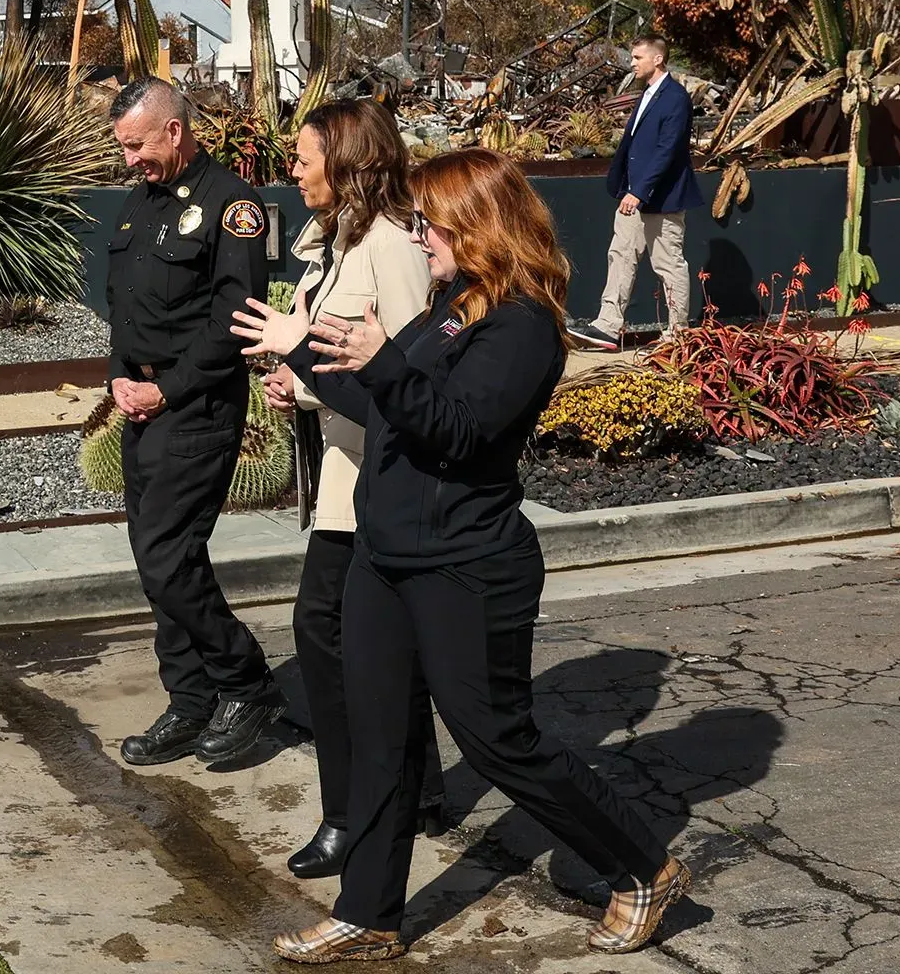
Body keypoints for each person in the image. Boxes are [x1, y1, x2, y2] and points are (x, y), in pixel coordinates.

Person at [263, 148, 690, 962]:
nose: (420, 235)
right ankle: (369, 912)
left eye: (429, 221)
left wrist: (384, 360)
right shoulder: (452, 305)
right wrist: (304, 352)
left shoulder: (523, 325)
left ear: (476, 224)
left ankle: (642, 866)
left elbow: (456, 428)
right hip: (386, 553)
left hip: (465, 563)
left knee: (496, 739)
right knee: (379, 734)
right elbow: (394, 413)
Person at [234, 98, 444, 881]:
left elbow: (413, 373)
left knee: (322, 635)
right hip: (340, 477)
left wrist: (309, 374)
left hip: (377, 482)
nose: (291, 169)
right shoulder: (329, 241)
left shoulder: (392, 246)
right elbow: (333, 350)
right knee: (382, 644)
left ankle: (349, 814)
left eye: (303, 157)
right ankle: (415, 792)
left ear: (348, 160)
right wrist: (296, 378)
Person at [103, 78, 283, 767]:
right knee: (159, 565)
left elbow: (234, 320)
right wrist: (120, 374)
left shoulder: (232, 206)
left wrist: (166, 392)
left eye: (138, 146)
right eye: (123, 148)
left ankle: (247, 683)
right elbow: (126, 305)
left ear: (174, 131)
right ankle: (189, 698)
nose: (130, 161)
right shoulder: (139, 204)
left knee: (168, 559)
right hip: (142, 407)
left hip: (196, 408)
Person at [568, 36, 706, 352]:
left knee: (668, 265)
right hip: (633, 196)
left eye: (637, 57)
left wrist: (640, 192)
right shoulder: (647, 94)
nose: (632, 62)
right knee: (620, 257)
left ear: (657, 59)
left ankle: (678, 335)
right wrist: (628, 188)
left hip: (661, 199)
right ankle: (607, 327)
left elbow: (667, 151)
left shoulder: (675, 98)